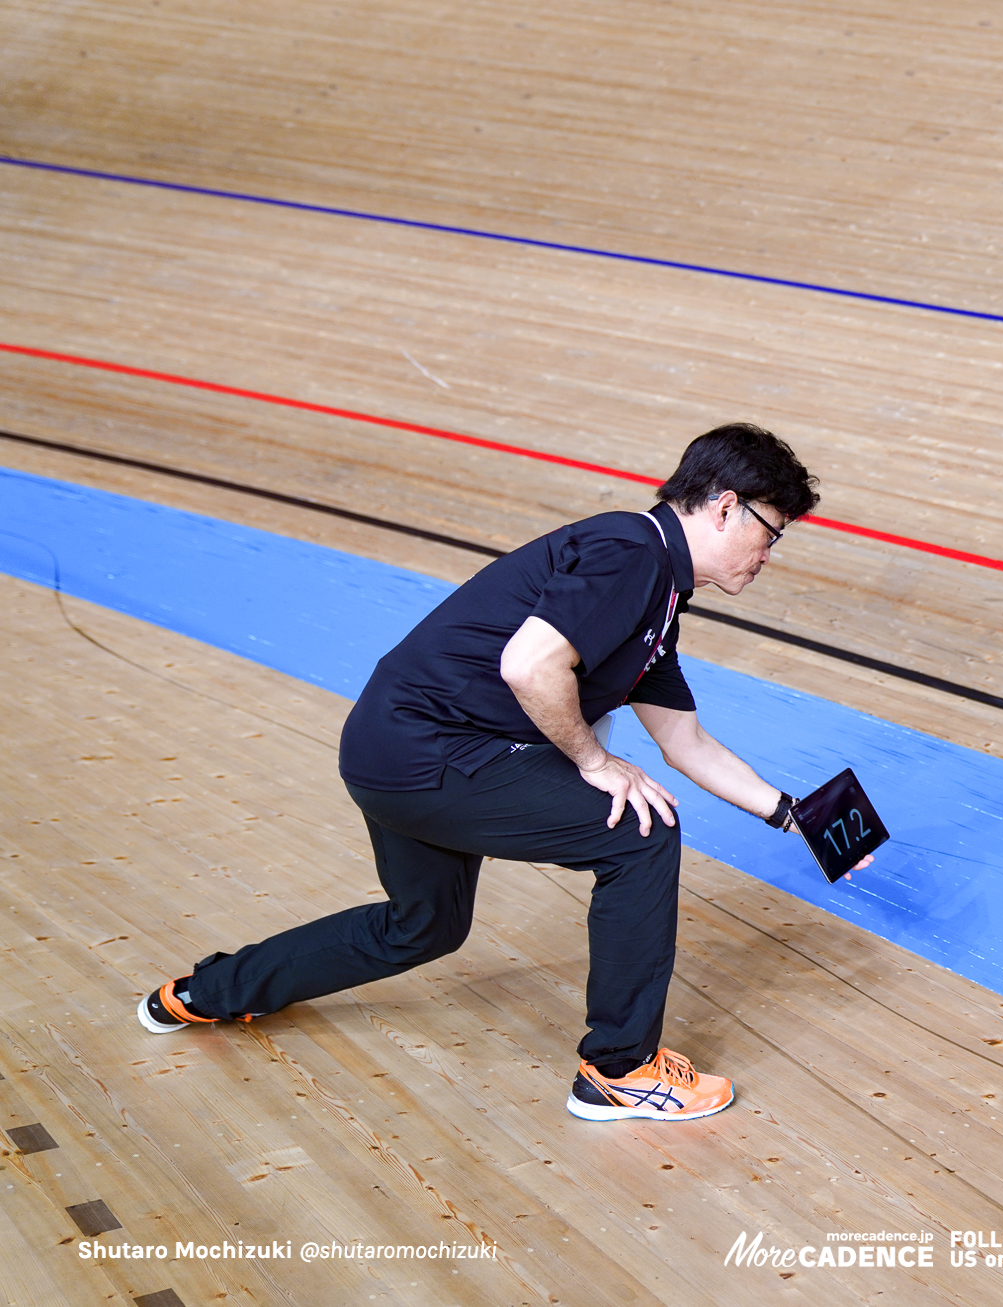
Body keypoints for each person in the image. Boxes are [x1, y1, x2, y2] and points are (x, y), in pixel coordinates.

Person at [137, 422, 866, 1122]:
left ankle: (207, 991)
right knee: (642, 833)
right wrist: (595, 761)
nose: (770, 553)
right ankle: (619, 1072)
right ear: (724, 506)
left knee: (421, 926)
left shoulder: (656, 594)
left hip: (389, 751)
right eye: (772, 532)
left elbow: (687, 742)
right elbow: (530, 663)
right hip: (432, 753)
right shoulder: (631, 554)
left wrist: (794, 814)